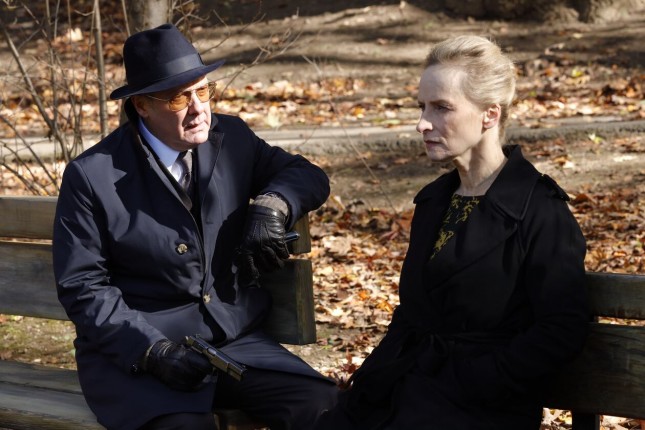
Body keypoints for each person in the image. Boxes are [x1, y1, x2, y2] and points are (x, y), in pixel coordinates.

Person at [53, 23, 336, 430]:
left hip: (235, 343)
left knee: (323, 405)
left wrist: (273, 206)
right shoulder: (93, 175)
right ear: (141, 106)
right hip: (143, 355)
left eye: (203, 91)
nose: (198, 108)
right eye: (179, 98)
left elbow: (306, 174)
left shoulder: (232, 137)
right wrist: (152, 350)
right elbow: (83, 287)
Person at [315, 35, 589, 430]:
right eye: (422, 107)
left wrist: (480, 379)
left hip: (480, 408)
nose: (422, 123)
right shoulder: (435, 201)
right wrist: (370, 382)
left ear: (489, 115)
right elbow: (413, 314)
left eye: (441, 107)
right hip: (403, 390)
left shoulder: (539, 209)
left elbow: (561, 328)